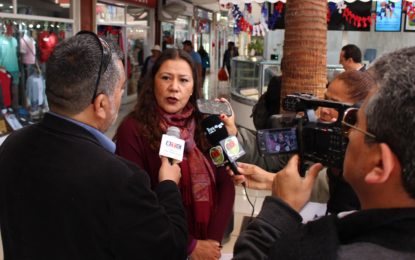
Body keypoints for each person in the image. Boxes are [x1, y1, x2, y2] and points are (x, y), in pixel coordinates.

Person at [0, 32, 187, 260]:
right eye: (120, 90)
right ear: (100, 104)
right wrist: (168, 184)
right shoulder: (120, 179)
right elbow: (170, 248)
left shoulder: (12, 146)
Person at [231, 46, 415, 259]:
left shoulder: (320, 251)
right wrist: (270, 181)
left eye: (354, 124)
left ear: (380, 164)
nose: (348, 134)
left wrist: (278, 212)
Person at [114, 48, 235, 260]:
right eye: (166, 78)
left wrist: (212, 242)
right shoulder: (132, 129)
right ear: (153, 83)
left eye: (184, 80)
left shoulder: (207, 124)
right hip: (158, 245)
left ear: (193, 88)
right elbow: (136, 202)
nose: (174, 87)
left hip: (207, 243)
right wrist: (189, 246)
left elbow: (226, 182)